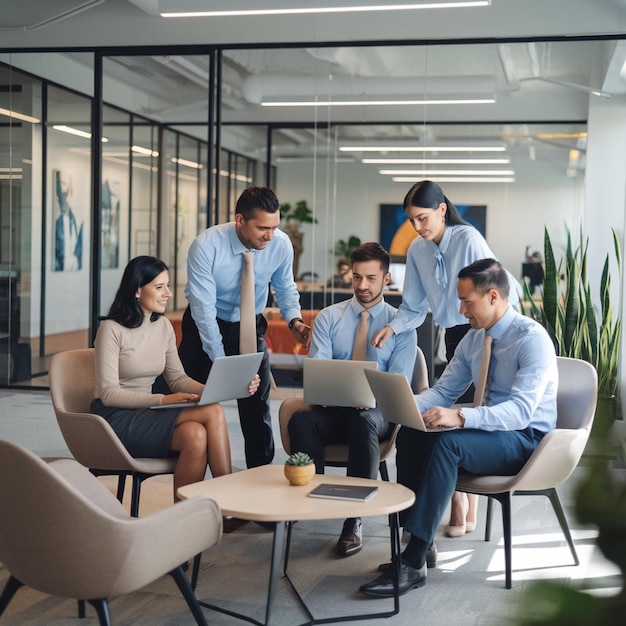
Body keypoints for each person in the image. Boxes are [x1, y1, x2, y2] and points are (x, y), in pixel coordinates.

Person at [360, 258, 557, 597]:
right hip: (491, 434)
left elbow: (522, 412)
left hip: (528, 441)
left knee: (448, 444)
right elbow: (444, 390)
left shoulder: (531, 339)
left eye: (468, 302)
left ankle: (412, 563)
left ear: (493, 296)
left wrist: (461, 417)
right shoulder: (473, 339)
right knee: (412, 433)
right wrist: (405, 405)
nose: (462, 310)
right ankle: (417, 544)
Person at [371, 180, 522, 541]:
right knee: (445, 414)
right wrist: (393, 329)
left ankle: (461, 502)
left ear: (442, 210)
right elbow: (412, 308)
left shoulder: (467, 238)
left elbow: (495, 290)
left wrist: (492, 335)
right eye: (411, 221)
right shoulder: (418, 251)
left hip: (480, 331)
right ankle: (457, 503)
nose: (418, 228)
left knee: (463, 417)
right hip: (451, 336)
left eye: (423, 218)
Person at [91, 255, 260, 502]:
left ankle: (183, 514)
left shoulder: (164, 327)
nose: (168, 293)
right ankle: (229, 501)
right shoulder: (111, 329)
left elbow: (178, 379)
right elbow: (108, 394)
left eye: (167, 286)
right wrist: (165, 400)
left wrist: (225, 388)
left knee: (196, 435)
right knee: (212, 411)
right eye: (159, 287)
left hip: (146, 412)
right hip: (114, 419)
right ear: (137, 290)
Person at [288, 242, 417, 556]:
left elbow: (399, 385)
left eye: (371, 278)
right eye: (357, 277)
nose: (362, 286)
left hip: (377, 415)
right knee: (302, 419)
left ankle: (353, 519)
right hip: (335, 408)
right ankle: (312, 500)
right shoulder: (330, 317)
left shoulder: (401, 326)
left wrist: (370, 398)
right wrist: (332, 393)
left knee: (363, 421)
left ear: (386, 279)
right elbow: (318, 368)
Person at [178, 186, 311, 468]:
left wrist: (294, 321)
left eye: (275, 227)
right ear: (240, 220)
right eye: (263, 227)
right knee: (189, 398)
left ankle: (259, 479)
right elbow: (204, 311)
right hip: (205, 326)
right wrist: (223, 365)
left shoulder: (281, 244)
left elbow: (285, 288)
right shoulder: (206, 246)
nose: (270, 235)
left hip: (249, 326)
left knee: (255, 407)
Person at [54, 171, 83, 272]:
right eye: (60, 191)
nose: (63, 197)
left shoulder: (78, 223)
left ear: (71, 192)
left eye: (65, 193)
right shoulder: (55, 223)